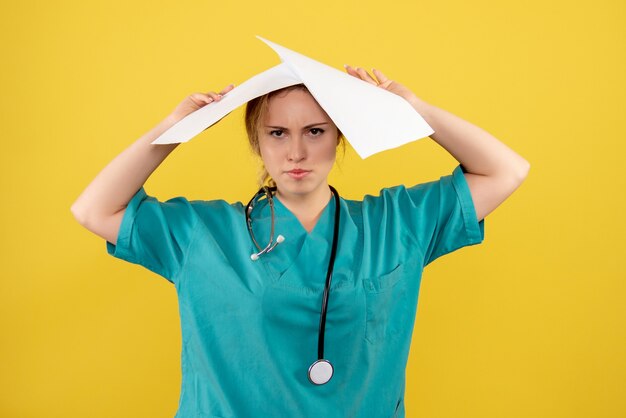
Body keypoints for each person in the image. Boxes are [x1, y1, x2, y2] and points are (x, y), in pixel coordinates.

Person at [71, 65, 530, 417]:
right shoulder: (201, 234)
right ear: (257, 142)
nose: (296, 153)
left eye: (315, 131)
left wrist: (417, 112)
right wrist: (174, 129)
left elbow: (506, 170)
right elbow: (94, 209)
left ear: (340, 138)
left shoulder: (396, 223)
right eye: (277, 133)